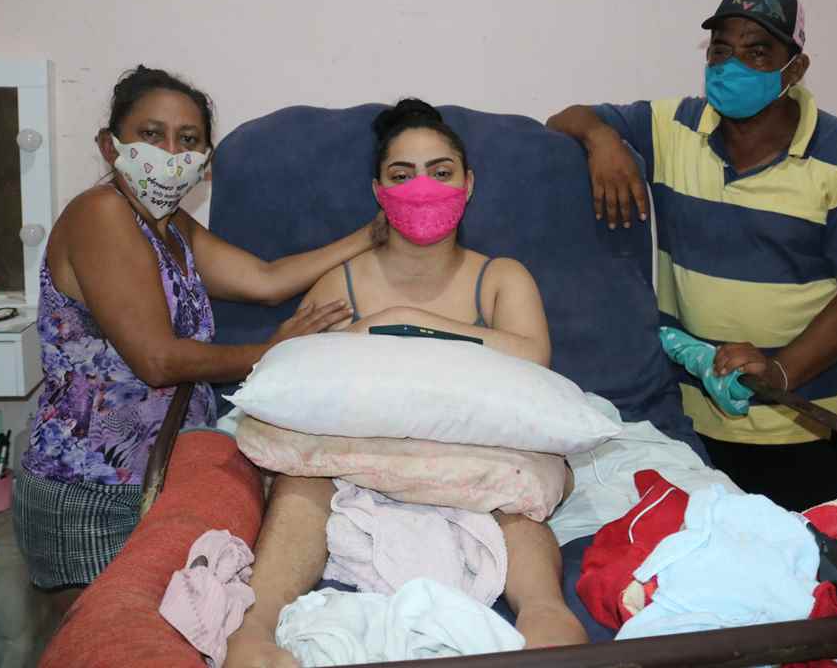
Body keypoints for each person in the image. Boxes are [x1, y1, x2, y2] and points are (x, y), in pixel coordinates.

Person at [225, 99, 588, 668]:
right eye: (402, 174)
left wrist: (398, 323)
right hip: (360, 460)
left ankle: (546, 615)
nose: (423, 187)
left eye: (441, 172)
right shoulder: (341, 282)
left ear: (469, 184)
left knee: (517, 484)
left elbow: (532, 357)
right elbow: (297, 371)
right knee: (302, 479)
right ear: (378, 191)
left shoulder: (500, 277)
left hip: (478, 456)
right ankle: (255, 628)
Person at [14, 66, 375, 606]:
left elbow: (266, 280)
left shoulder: (171, 226)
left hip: (161, 480)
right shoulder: (101, 213)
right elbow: (156, 361)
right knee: (109, 640)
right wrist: (271, 353)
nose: (170, 153)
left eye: (187, 140)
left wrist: (371, 235)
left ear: (205, 162)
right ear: (110, 146)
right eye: (150, 135)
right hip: (91, 493)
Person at [546, 0, 837, 511]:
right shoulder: (673, 128)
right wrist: (603, 140)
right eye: (721, 50)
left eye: (757, 52)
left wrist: (779, 372)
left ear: (794, 69)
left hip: (801, 425)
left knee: (806, 560)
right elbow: (565, 118)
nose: (732, 66)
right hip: (691, 425)